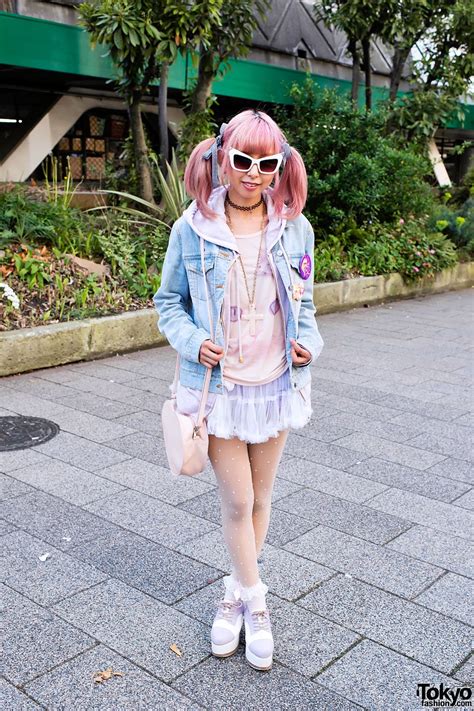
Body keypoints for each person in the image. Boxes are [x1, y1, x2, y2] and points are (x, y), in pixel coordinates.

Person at [153, 109, 324, 671]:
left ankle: (232, 593)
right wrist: (193, 340)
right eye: (243, 160)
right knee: (239, 499)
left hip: (276, 382)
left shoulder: (295, 228)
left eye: (267, 163)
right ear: (222, 157)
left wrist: (309, 345)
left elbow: (307, 306)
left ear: (280, 167)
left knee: (264, 498)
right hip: (219, 390)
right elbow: (167, 303)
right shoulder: (193, 229)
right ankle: (257, 603)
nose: (254, 173)